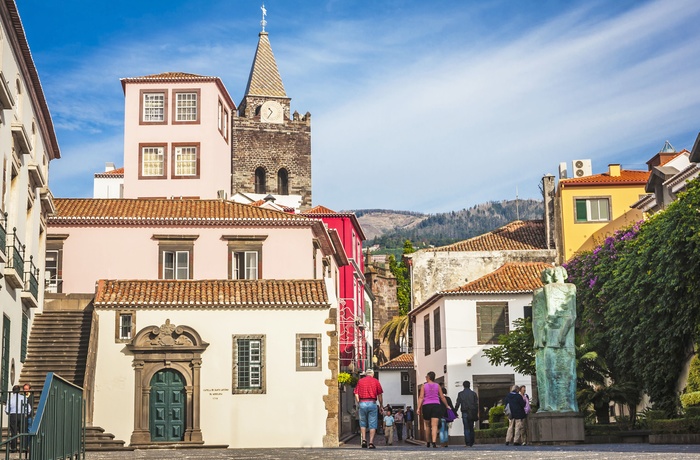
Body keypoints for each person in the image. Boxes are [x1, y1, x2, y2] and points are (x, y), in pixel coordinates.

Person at [533, 266, 578, 412]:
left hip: (563, 340)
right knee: (548, 372)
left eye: (557, 272)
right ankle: (550, 405)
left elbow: (572, 315)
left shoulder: (570, 288)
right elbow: (539, 318)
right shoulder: (543, 292)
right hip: (550, 337)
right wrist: (540, 337)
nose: (554, 275)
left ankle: (565, 405)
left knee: (565, 373)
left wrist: (562, 335)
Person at [416, 371, 449, 448]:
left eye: (426, 377)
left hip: (426, 406)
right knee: (434, 425)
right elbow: (442, 397)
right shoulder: (437, 386)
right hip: (436, 405)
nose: (426, 378)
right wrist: (447, 405)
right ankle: (434, 442)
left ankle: (428, 442)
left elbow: (421, 397)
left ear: (429, 377)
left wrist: (418, 408)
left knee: (427, 425)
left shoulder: (424, 386)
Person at [353, 368, 383, 449]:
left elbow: (356, 393)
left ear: (366, 374)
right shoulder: (376, 381)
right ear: (372, 374)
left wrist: (359, 402)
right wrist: (381, 405)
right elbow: (380, 395)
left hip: (362, 403)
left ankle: (364, 440)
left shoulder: (360, 381)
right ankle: (371, 443)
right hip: (372, 403)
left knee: (363, 422)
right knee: (372, 424)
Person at [5, 385, 31, 453]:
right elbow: (29, 409)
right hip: (22, 415)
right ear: (19, 390)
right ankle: (23, 448)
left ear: (13, 391)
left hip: (13, 415)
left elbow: (7, 410)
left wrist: (10, 413)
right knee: (23, 432)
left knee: (14, 433)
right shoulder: (24, 398)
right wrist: (26, 414)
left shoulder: (10, 399)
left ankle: (13, 448)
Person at [454, 380, 479, 447]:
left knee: (466, 428)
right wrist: (476, 413)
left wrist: (454, 412)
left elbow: (458, 403)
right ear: (469, 385)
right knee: (471, 427)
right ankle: (471, 442)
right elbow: (476, 404)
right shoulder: (473, 394)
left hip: (464, 412)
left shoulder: (460, 394)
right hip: (472, 412)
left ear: (463, 386)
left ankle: (467, 442)